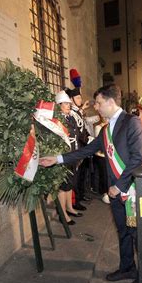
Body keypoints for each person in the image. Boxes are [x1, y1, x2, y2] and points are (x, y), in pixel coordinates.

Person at [39, 84, 142, 283]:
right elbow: (87, 150)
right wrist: (57, 159)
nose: (96, 107)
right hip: (115, 192)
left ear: (110, 102)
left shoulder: (131, 123)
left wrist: (118, 186)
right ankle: (127, 268)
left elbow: (137, 159)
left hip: (131, 191)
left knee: (137, 235)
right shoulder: (106, 130)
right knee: (122, 231)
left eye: (98, 102)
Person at [55, 90, 83, 225]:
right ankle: (62, 214)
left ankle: (69, 207)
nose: (68, 105)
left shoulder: (71, 118)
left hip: (73, 155)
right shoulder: (58, 120)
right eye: (65, 103)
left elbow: (76, 136)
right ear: (59, 105)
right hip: (63, 157)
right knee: (63, 186)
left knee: (70, 183)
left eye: (68, 103)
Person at [65, 87, 92, 211]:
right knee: (74, 177)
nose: (80, 99)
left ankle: (80, 196)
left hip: (82, 146)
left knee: (82, 175)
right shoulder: (73, 113)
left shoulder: (77, 111)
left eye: (80, 97)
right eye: (77, 97)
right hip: (76, 147)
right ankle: (75, 201)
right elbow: (78, 130)